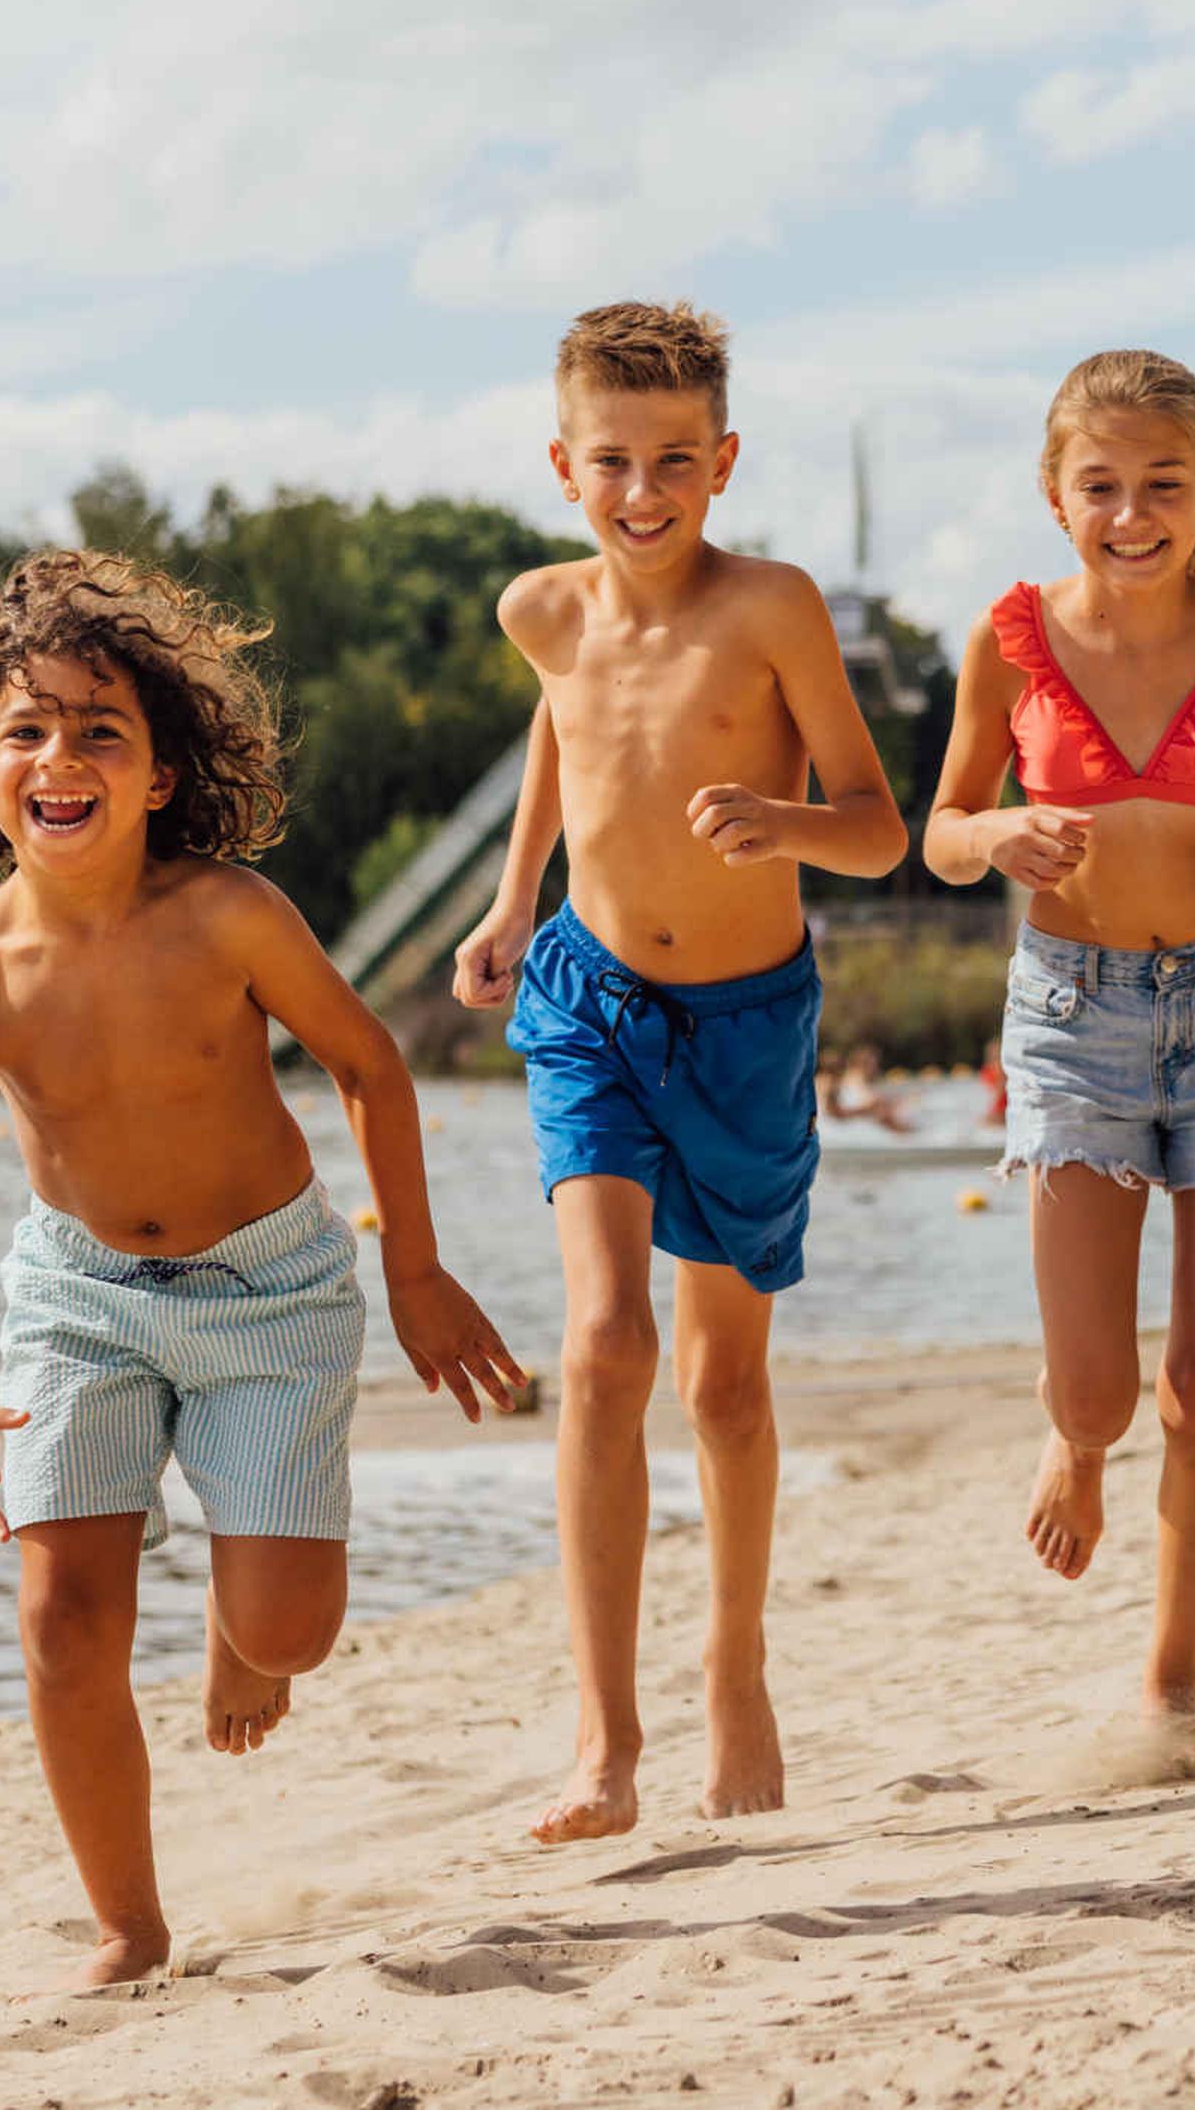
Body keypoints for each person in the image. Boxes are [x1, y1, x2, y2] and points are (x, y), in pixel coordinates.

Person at [0, 550, 528, 1988]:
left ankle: (239, 1634)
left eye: (102, 729)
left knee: (296, 1627)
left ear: (158, 776)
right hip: (80, 1306)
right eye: (25, 730)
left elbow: (369, 1066)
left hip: (272, 1291)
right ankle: (129, 1924)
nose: (61, 757)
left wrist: (410, 1267)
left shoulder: (226, 916)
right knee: (62, 1616)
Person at [451, 298, 907, 1843]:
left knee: (721, 1385)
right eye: (609, 462)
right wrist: (517, 903)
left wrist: (785, 829)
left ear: (721, 461)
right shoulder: (539, 610)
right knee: (600, 1348)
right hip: (588, 1001)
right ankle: (605, 1735)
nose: (640, 492)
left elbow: (878, 820)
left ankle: (736, 1668)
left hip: (747, 1023)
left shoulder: (772, 607)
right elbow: (561, 740)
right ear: (562, 464)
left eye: (671, 462)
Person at [921, 348, 1195, 1738]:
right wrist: (995, 835)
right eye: (1102, 487)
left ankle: (1173, 1671)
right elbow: (941, 826)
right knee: (1098, 1389)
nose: (1133, 513)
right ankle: (1074, 1440)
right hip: (1072, 1017)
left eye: (1165, 485)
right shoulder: (1013, 635)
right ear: (1056, 495)